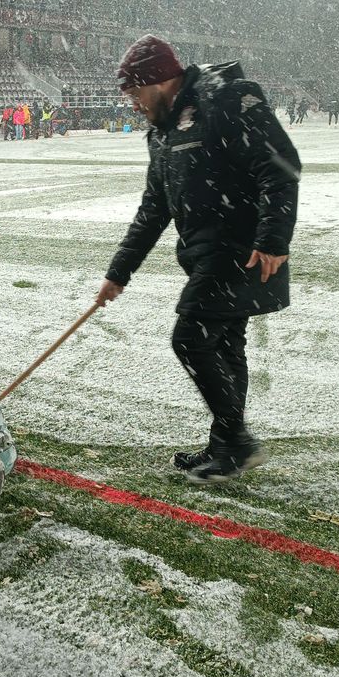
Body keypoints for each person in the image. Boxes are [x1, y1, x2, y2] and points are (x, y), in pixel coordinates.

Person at [96, 36, 300, 483]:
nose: (131, 103)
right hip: (208, 255)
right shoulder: (164, 131)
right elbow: (154, 208)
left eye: (134, 92)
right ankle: (226, 446)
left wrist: (273, 238)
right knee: (225, 348)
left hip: (242, 251)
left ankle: (237, 442)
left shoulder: (224, 100)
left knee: (189, 337)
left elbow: (281, 165)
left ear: (159, 80)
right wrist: (119, 273)